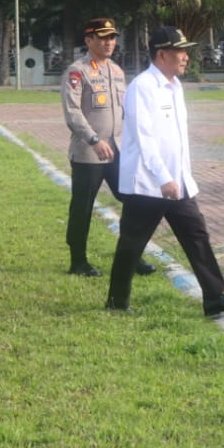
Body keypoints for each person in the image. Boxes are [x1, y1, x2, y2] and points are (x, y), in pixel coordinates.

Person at [105, 26, 224, 316]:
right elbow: (144, 138)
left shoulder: (174, 86)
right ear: (162, 54)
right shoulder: (142, 87)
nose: (185, 57)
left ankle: (214, 297)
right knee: (132, 243)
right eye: (180, 51)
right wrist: (163, 177)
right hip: (148, 184)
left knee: (197, 235)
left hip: (177, 182)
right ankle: (117, 302)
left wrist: (178, 176)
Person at [61, 18, 157, 279]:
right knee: (82, 208)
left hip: (117, 151)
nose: (109, 42)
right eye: (103, 37)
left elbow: (126, 110)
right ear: (88, 40)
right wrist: (94, 139)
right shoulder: (77, 71)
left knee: (133, 201)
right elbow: (72, 112)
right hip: (88, 152)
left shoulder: (116, 71)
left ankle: (131, 256)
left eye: (112, 37)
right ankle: (78, 261)